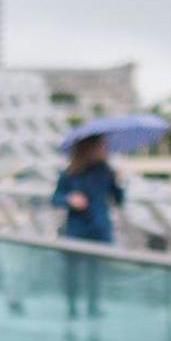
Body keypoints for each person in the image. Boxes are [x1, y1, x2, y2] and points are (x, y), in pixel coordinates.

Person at [50, 134, 121, 327]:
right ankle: (72, 308)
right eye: (101, 146)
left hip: (98, 230)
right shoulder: (70, 174)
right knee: (72, 273)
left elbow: (118, 199)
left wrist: (118, 183)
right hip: (76, 231)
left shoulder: (106, 172)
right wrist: (69, 200)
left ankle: (93, 307)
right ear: (89, 148)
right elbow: (55, 198)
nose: (105, 150)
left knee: (95, 273)